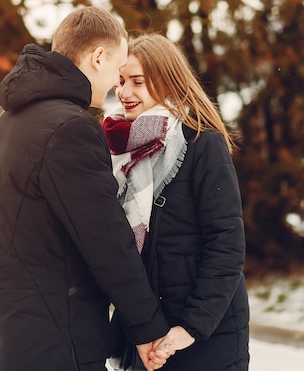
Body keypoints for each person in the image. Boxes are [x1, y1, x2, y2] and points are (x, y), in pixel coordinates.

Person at [0, 7, 172, 371]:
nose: (117, 87)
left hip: (19, 334)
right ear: (97, 57)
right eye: (118, 72)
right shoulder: (70, 128)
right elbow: (106, 240)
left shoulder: (11, 122)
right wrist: (148, 327)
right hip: (61, 337)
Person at [102, 33, 250, 371]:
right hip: (146, 332)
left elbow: (226, 243)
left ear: (168, 80)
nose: (124, 92)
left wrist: (190, 327)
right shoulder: (116, 151)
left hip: (207, 336)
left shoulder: (201, 144)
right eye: (121, 81)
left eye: (137, 81)